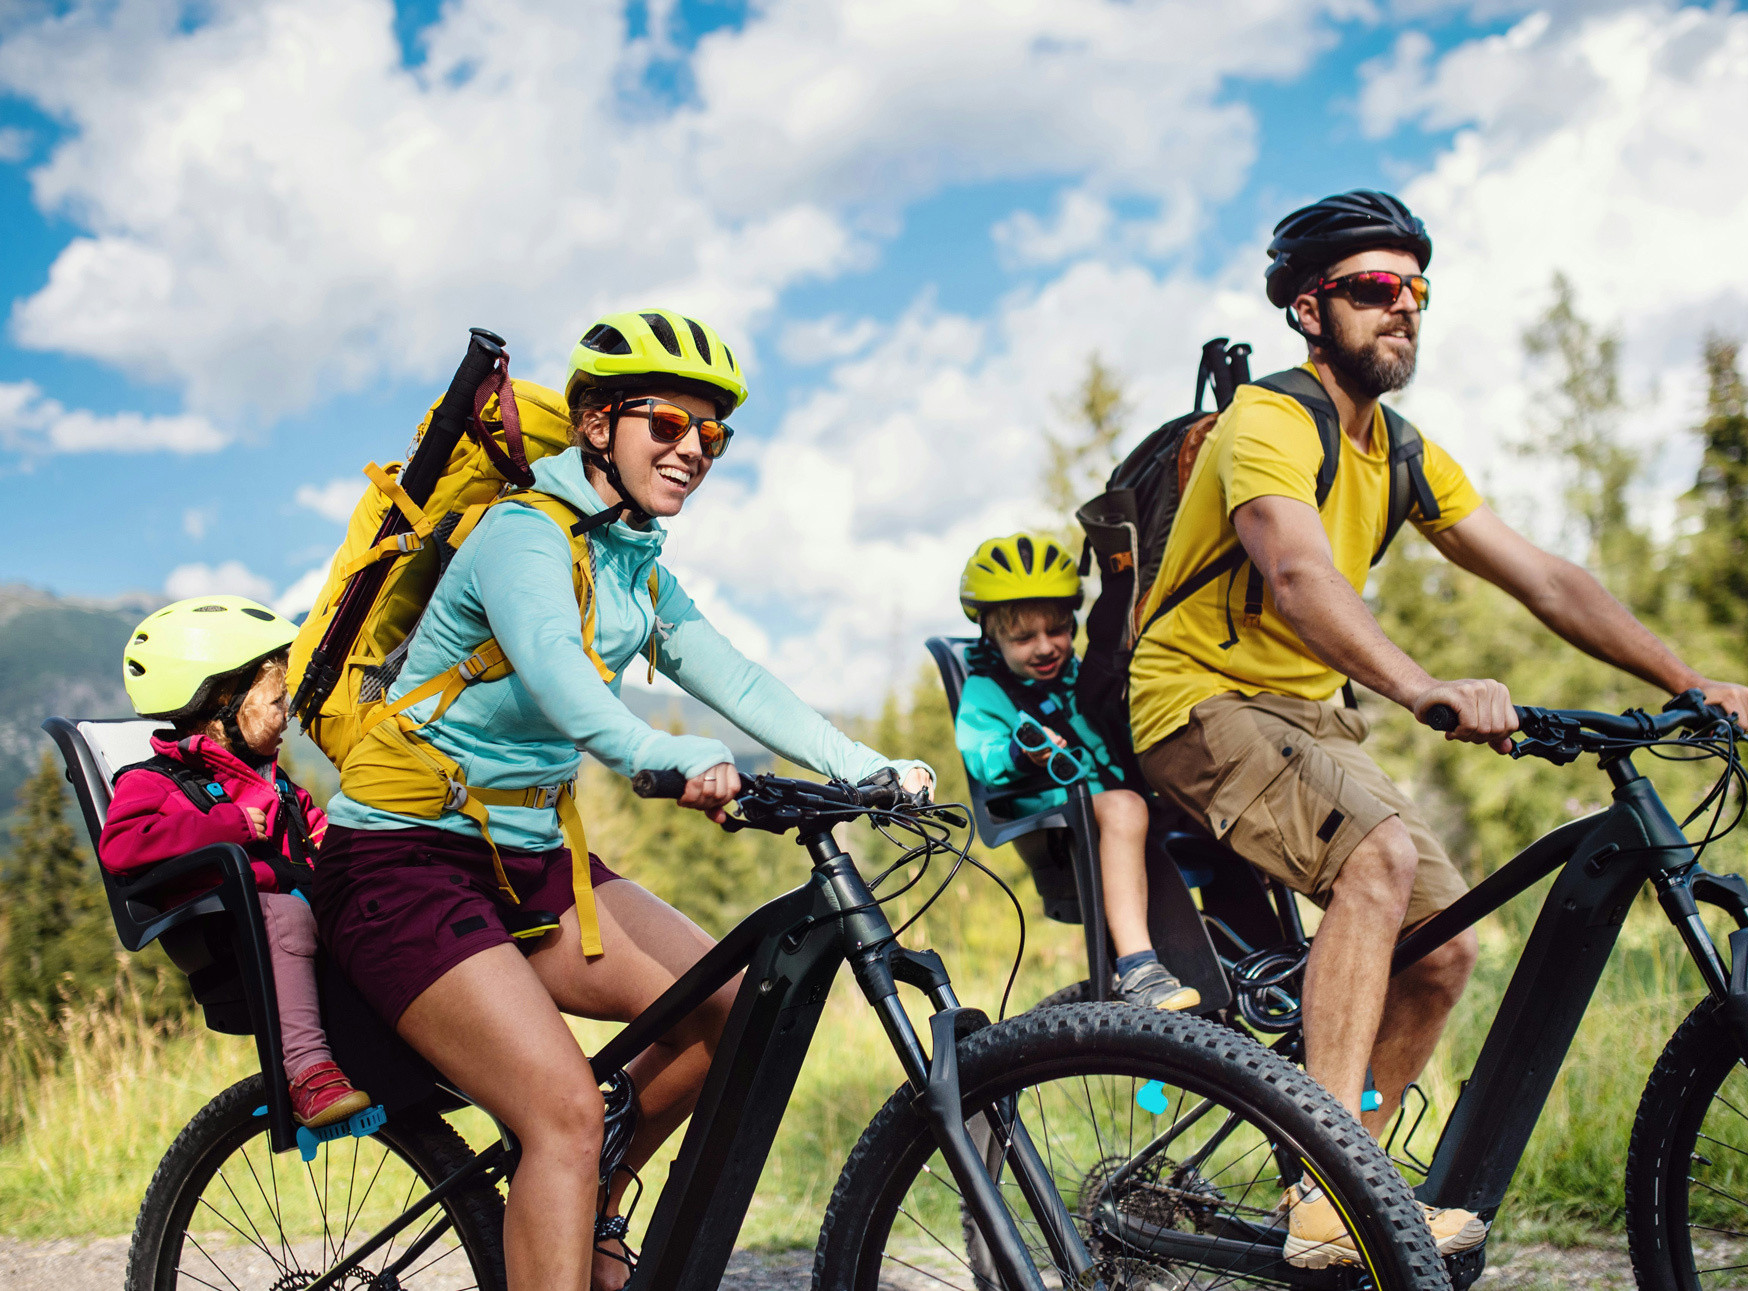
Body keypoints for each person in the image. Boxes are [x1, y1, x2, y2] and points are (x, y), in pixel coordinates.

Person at [1129, 190, 1748, 1268]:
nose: (1403, 309)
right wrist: (1421, 683)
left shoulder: (1404, 451)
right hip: (1197, 699)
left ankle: (1333, 1193)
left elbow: (1544, 578)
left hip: (1309, 718)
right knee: (1375, 858)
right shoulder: (1270, 422)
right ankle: (1336, 1198)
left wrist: (1685, 675)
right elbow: (1293, 572)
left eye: (1415, 291)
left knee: (1441, 950)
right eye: (1375, 289)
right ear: (1305, 309)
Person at [313, 307, 930, 1291]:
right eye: (668, 425)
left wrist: (867, 766)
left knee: (730, 1008)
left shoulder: (630, 556)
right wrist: (664, 755)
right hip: (401, 864)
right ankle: (564, 1174)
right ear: (595, 424)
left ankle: (585, 1195)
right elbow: (563, 681)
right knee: (558, 1107)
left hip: (528, 863)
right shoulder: (522, 536)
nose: (693, 450)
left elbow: (732, 674)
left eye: (712, 435)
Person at [102, 596, 370, 1129]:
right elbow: (121, 847)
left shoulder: (274, 782)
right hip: (224, 925)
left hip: (288, 908)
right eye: (277, 701)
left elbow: (317, 833)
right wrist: (225, 826)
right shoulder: (151, 782)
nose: (287, 714)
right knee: (286, 915)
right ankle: (307, 1071)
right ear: (223, 702)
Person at [953, 533, 1198, 1010]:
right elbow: (982, 755)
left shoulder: (1080, 677)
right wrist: (1023, 753)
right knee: (1126, 806)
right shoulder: (985, 693)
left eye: (1058, 630)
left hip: (1110, 807)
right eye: (1024, 637)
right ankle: (1138, 968)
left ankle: (1254, 953)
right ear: (991, 636)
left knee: (1204, 798)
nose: (1045, 648)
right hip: (1057, 822)